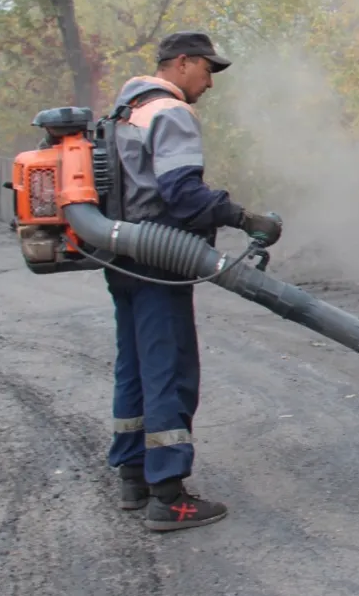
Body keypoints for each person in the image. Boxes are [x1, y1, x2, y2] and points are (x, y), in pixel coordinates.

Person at [102, 31, 282, 532]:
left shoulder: (124, 110)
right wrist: (244, 217)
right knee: (169, 370)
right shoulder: (170, 112)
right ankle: (169, 496)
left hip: (122, 257)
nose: (210, 81)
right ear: (181, 63)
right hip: (159, 260)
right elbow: (181, 193)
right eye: (207, 69)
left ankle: (133, 476)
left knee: (134, 367)